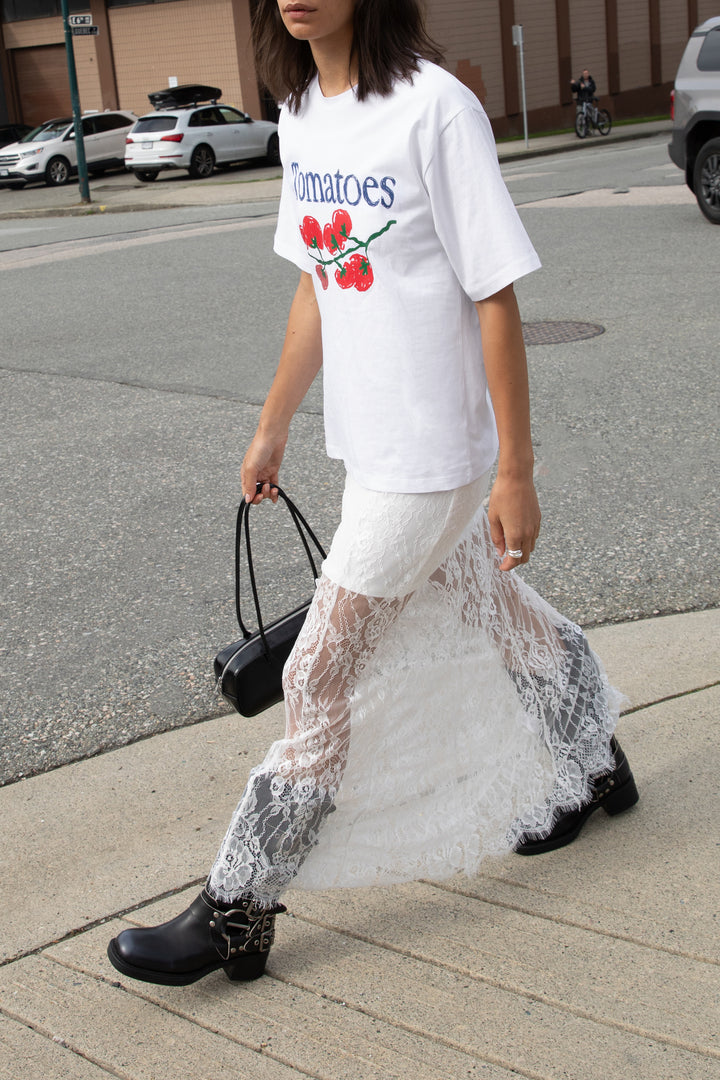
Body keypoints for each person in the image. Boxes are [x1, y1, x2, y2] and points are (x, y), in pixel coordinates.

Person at [107, 0, 638, 988]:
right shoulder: (303, 114)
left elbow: (495, 292)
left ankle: (238, 908)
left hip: (432, 461)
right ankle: (596, 759)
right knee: (495, 607)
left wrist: (516, 471)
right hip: (373, 444)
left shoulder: (435, 109)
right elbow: (319, 280)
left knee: (314, 680)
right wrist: (272, 426)